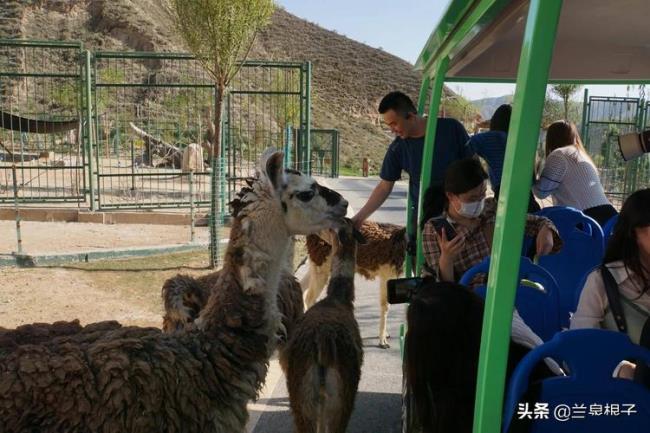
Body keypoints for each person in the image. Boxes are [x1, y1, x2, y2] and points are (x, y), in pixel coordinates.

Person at [421, 157, 562, 283]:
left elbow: (538, 222)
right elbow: (445, 287)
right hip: (468, 300)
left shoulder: (492, 209)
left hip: (504, 290)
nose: (478, 203)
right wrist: (447, 258)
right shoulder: (436, 229)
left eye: (482, 195)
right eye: (472, 199)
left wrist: (546, 230)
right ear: (451, 196)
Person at [351, 91, 472, 231]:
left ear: (411, 116)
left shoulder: (451, 129)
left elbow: (473, 166)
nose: (392, 130)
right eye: (389, 126)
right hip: (426, 220)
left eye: (394, 124)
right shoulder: (398, 148)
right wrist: (359, 218)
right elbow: (384, 187)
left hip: (461, 214)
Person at [571, 188, 650, 380]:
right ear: (634, 233)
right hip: (625, 393)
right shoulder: (602, 282)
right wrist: (622, 370)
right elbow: (579, 350)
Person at [533, 120, 617, 226]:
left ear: (551, 138)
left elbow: (541, 192)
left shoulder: (559, 155)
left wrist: (532, 173)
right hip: (608, 216)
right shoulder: (580, 154)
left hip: (586, 218)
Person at [467, 104, 540, 213]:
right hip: (525, 193)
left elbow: (466, 146)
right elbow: (532, 177)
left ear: (495, 121)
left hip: (503, 191)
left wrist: (479, 171)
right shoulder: (523, 140)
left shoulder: (488, 138)